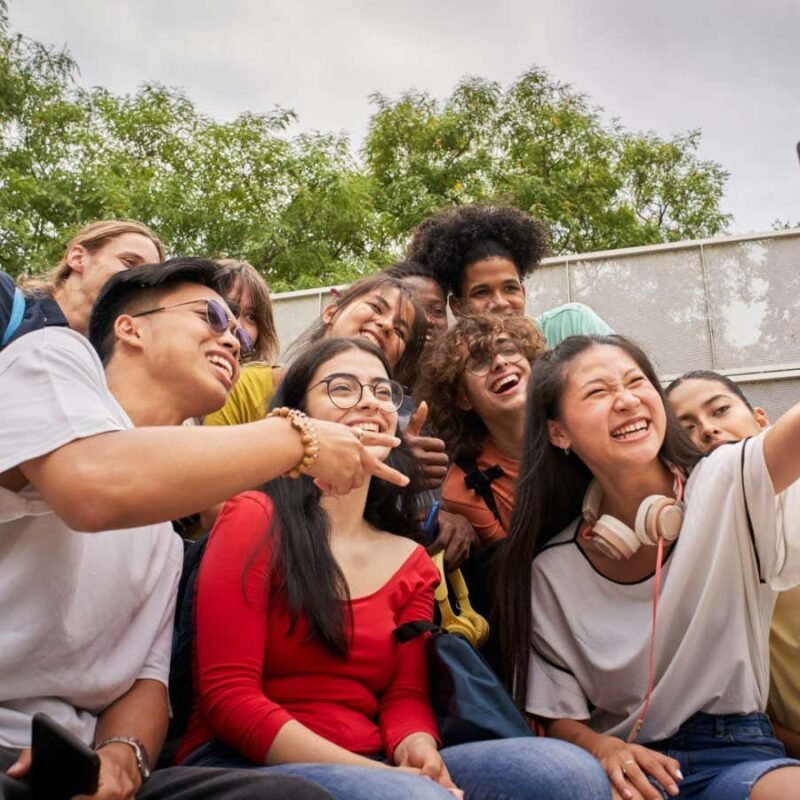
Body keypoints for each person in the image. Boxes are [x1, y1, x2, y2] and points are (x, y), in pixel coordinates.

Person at [0, 258, 407, 800]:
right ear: (131, 327)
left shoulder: (167, 536)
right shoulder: (52, 356)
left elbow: (145, 682)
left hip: (73, 769)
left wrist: (124, 755)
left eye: (239, 331)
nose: (233, 339)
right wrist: (298, 439)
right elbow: (89, 484)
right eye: (212, 316)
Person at [174, 335, 611, 800]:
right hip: (247, 765)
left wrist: (417, 748)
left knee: (565, 772)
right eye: (341, 388)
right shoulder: (253, 517)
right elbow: (228, 698)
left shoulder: (410, 559)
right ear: (296, 415)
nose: (369, 402)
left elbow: (405, 697)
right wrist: (384, 777)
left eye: (383, 392)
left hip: (378, 764)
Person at [495, 334, 800, 800]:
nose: (626, 400)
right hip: (625, 769)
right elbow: (560, 717)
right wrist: (602, 749)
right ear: (559, 432)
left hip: (738, 750)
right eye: (597, 392)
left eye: (637, 382)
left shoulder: (723, 483)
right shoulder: (551, 571)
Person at [666, 370, 800, 759]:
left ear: (761, 418)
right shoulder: (699, 546)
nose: (707, 430)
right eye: (686, 427)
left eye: (720, 410)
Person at [405, 203, 612, 347]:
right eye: (481, 292)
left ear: (523, 292)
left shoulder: (572, 325)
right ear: (458, 307)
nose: (500, 302)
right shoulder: (459, 373)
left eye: (510, 288)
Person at [417, 313, 546, 543]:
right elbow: (514, 567)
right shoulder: (463, 485)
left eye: (508, 349)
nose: (500, 363)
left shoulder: (577, 424)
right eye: (479, 362)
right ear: (463, 397)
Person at [0, 219, 164, 349]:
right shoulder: (6, 302)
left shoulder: (108, 365)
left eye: (150, 278)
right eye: (129, 262)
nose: (141, 281)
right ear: (78, 258)